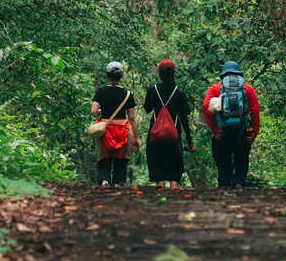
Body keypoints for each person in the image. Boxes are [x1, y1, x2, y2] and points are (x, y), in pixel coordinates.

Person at [201, 61, 260, 188]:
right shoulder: (247, 88)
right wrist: (253, 134)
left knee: (222, 159)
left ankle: (223, 185)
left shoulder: (215, 88)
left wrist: (215, 130)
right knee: (242, 158)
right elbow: (255, 111)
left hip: (223, 130)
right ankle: (239, 183)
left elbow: (206, 107)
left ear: (223, 75)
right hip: (242, 130)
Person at [143, 59, 196, 189]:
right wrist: (190, 142)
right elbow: (184, 119)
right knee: (175, 163)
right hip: (174, 133)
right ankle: (174, 189)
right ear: (174, 73)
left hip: (156, 133)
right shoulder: (179, 92)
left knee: (157, 161)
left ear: (159, 74)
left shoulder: (152, 90)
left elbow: (147, 109)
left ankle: (160, 187)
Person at [91, 61, 140, 185]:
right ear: (122, 75)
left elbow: (94, 111)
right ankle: (118, 182)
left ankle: (104, 180)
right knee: (121, 158)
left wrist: (102, 110)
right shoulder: (128, 94)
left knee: (103, 158)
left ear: (107, 75)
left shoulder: (100, 91)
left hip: (105, 129)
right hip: (122, 130)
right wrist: (136, 138)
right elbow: (132, 118)